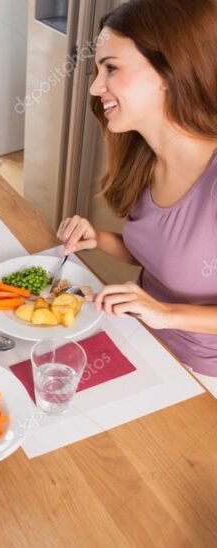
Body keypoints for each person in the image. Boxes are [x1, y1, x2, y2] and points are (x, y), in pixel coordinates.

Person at [57, 0, 217, 383]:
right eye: (97, 70)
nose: (95, 87)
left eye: (111, 68)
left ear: (170, 71)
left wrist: (166, 313)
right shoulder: (146, 157)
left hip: (200, 376)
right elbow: (169, 259)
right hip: (138, 336)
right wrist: (100, 239)